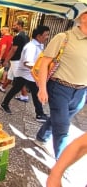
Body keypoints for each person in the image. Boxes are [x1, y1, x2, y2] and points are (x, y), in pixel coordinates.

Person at [35, 9, 87, 160]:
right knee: (63, 127)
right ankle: (61, 164)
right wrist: (42, 88)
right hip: (59, 88)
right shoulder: (63, 37)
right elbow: (45, 63)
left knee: (59, 119)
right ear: (84, 18)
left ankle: (41, 137)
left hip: (81, 91)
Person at [0, 26, 50, 123]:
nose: (47, 37)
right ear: (39, 36)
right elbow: (27, 63)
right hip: (25, 73)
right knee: (34, 92)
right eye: (46, 35)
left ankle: (5, 104)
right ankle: (39, 114)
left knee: (17, 89)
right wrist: (40, 70)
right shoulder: (31, 47)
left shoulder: (39, 45)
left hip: (29, 74)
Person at [0, 20, 30, 101]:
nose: (13, 27)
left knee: (19, 79)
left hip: (16, 60)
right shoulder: (26, 36)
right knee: (10, 75)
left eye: (14, 25)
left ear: (19, 26)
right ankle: (3, 87)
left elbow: (13, 49)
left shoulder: (18, 36)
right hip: (20, 59)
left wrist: (6, 60)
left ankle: (24, 95)